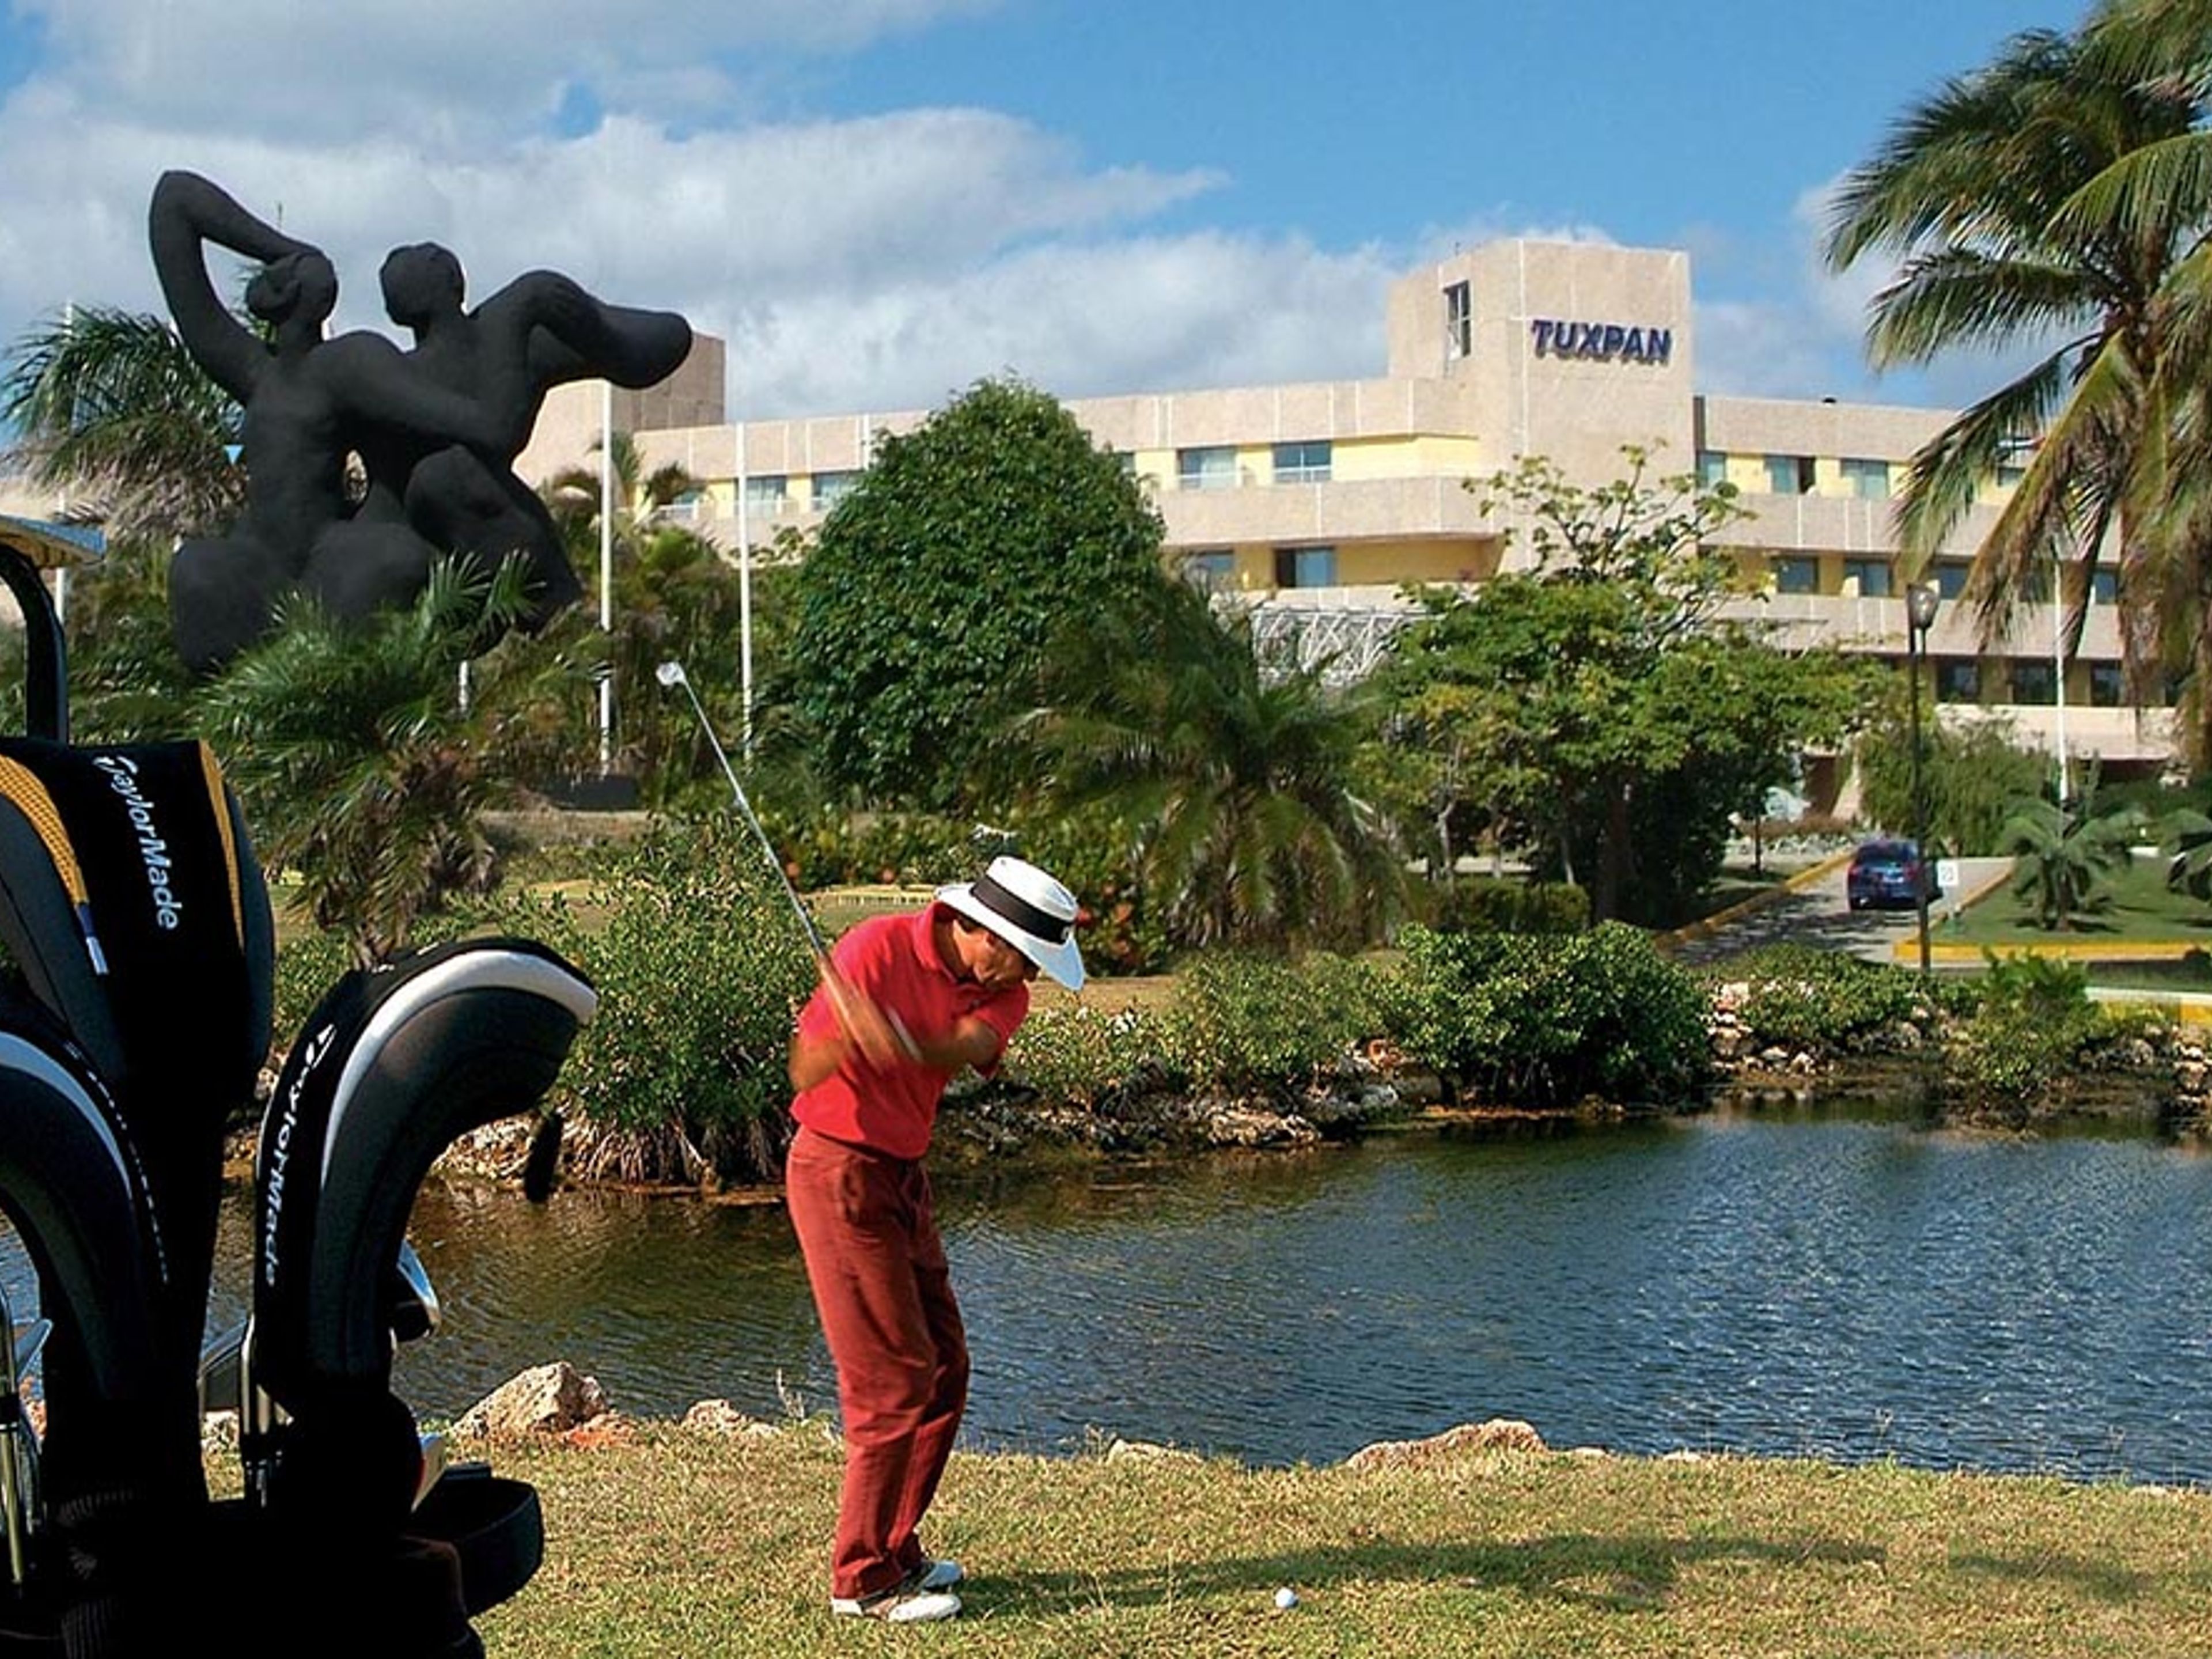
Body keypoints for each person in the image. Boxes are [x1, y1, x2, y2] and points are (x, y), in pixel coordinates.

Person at [783, 855, 1085, 1624]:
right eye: (1027, 958)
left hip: (902, 1178)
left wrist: (900, 1040)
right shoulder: (872, 950)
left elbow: (970, 1047)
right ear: (984, 932)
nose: (1030, 978)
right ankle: (862, 1579)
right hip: (838, 1172)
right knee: (892, 1380)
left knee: (946, 1365)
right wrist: (844, 1037)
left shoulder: (1005, 994)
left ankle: (895, 1541)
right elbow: (803, 1069)